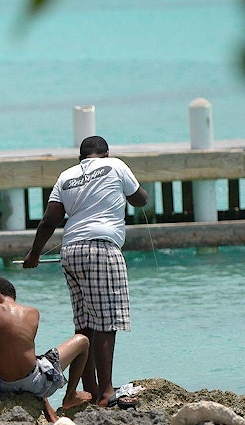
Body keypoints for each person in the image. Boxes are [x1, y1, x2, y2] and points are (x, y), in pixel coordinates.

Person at [23, 135, 149, 408]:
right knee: (106, 323)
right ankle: (106, 391)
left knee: (85, 324)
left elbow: (49, 220)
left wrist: (34, 253)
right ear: (105, 153)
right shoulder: (115, 165)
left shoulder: (66, 176)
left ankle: (87, 389)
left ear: (80, 158)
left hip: (70, 251)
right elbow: (140, 199)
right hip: (102, 248)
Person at [0, 277, 91, 422]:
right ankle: (70, 395)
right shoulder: (33, 312)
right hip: (35, 384)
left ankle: (49, 409)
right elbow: (25, 356)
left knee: (30, 362)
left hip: (6, 386)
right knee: (83, 341)